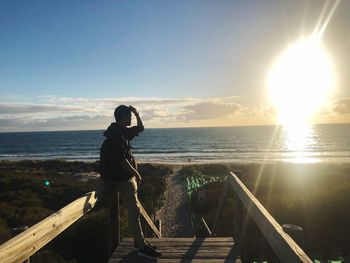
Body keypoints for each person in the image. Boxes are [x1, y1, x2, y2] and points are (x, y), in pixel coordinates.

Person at [100, 105, 162, 259]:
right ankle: (141, 247)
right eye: (129, 116)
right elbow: (121, 160)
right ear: (122, 117)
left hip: (126, 178)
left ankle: (138, 241)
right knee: (134, 212)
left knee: (136, 211)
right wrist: (136, 173)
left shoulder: (123, 132)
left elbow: (140, 128)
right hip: (123, 179)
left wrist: (137, 113)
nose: (131, 118)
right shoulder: (116, 135)